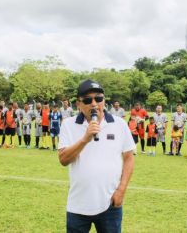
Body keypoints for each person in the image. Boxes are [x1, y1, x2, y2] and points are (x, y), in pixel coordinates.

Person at [58, 79, 135, 232]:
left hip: (110, 204)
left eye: (98, 98)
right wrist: (85, 139)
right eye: (87, 100)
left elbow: (129, 158)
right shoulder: (68, 124)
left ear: (104, 100)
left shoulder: (119, 124)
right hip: (78, 205)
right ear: (78, 104)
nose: (94, 104)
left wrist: (121, 190)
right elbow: (63, 159)